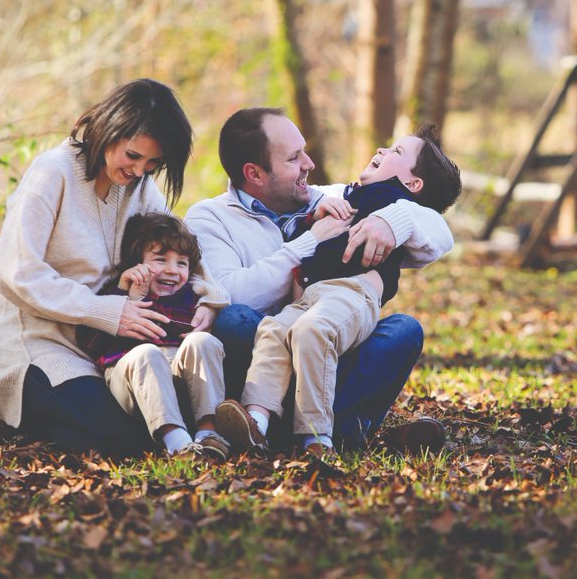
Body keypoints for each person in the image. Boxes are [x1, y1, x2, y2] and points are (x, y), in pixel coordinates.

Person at [0, 79, 223, 459]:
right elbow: (16, 271)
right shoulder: (52, 173)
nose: (140, 170)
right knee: (119, 442)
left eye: (153, 163)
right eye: (133, 156)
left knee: (154, 424)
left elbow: (179, 244)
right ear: (110, 130)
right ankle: (4, 403)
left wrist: (210, 297)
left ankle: (23, 406)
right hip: (41, 342)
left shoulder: (139, 188)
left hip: (107, 349)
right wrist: (106, 311)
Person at [184, 108, 454, 453]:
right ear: (254, 173)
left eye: (304, 151)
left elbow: (438, 232)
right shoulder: (210, 217)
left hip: (331, 338)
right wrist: (309, 241)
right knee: (236, 320)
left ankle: (281, 432)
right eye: (295, 158)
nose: (309, 164)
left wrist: (394, 220)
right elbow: (232, 293)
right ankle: (334, 431)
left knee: (404, 330)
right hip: (268, 347)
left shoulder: (333, 196)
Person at [76, 213, 232, 462]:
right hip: (134, 382)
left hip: (180, 382)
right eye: (160, 260)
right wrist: (130, 298)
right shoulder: (115, 294)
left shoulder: (190, 299)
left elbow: (196, 331)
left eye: (182, 263)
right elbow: (91, 343)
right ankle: (177, 442)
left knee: (202, 340)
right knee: (147, 352)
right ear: (137, 263)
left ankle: (208, 434)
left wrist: (208, 306)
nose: (172, 270)